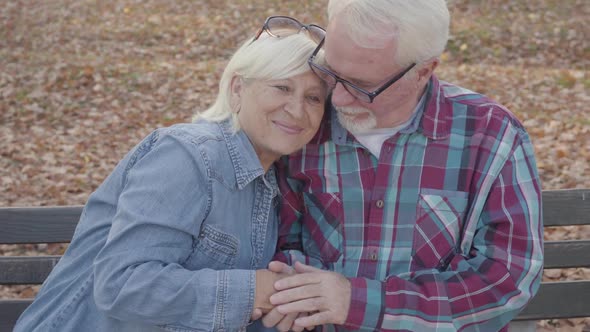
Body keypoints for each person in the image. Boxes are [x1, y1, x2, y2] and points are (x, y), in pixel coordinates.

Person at [13, 16, 328, 332]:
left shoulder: (270, 185)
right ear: (237, 89)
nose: (297, 109)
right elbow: (122, 286)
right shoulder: (187, 155)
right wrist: (252, 291)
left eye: (313, 97)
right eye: (282, 87)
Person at [261, 1, 544, 331]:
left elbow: (508, 279)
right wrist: (292, 283)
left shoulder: (490, 135)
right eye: (330, 71)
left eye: (360, 86)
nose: (335, 99)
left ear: (423, 71)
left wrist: (357, 301)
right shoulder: (301, 123)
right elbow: (271, 243)